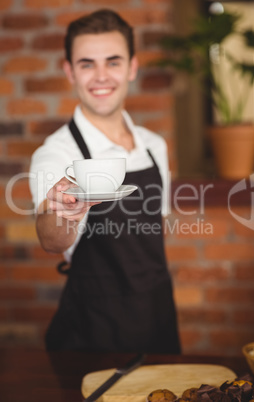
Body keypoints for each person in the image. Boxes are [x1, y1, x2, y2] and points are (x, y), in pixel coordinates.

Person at [29, 9, 180, 354]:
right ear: (70, 71)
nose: (101, 77)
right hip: (93, 328)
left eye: (113, 62)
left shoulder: (155, 146)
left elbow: (154, 230)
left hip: (158, 314)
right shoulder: (57, 154)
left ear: (132, 67)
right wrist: (62, 209)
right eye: (86, 64)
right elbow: (51, 240)